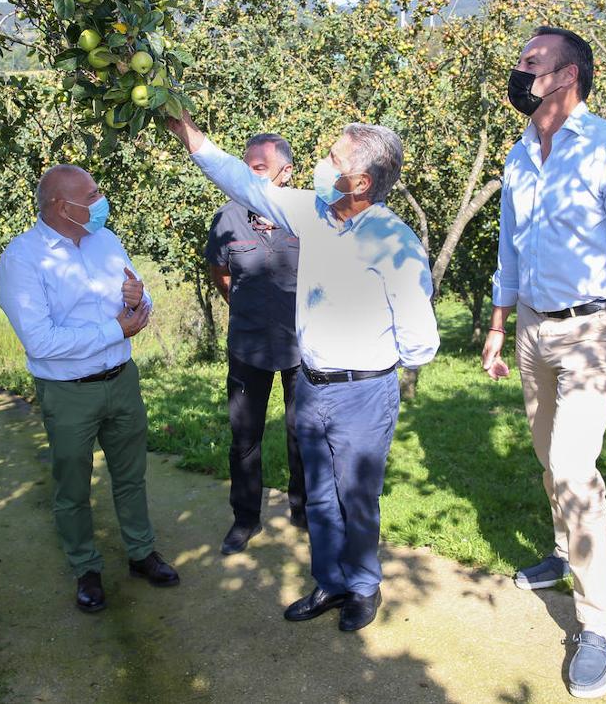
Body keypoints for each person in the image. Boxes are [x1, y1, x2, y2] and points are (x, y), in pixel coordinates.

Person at [168, 112, 439, 631]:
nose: (321, 165)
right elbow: (242, 180)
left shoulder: (393, 242)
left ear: (360, 182)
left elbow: (421, 341)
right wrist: (187, 133)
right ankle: (330, 583)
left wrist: (366, 359)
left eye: (333, 159)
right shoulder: (315, 214)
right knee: (318, 495)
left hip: (363, 391)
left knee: (355, 497)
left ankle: (362, 587)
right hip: (314, 385)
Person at [480, 26, 606, 699]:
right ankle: (563, 552)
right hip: (532, 326)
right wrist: (499, 326)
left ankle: (599, 626)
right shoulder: (521, 153)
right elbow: (510, 251)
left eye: (531, 62)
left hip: (593, 333)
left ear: (569, 76)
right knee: (544, 452)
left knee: (572, 469)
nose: (519, 70)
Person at [0, 164, 180, 614]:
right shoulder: (23, 259)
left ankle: (141, 554)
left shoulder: (106, 241)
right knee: (73, 486)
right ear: (62, 205)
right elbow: (41, 341)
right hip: (68, 391)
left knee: (131, 476)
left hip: (121, 381)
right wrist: (116, 328)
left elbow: (139, 296)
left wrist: (138, 301)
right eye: (92, 195)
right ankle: (87, 569)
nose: (101, 203)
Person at [204, 133, 308, 554]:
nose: (248, 175)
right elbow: (221, 273)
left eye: (259, 168)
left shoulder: (306, 216)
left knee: (303, 432)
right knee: (244, 437)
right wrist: (245, 305)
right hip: (248, 347)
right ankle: (245, 519)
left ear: (286, 173)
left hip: (302, 348)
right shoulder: (227, 218)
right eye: (245, 166)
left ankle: (303, 511)